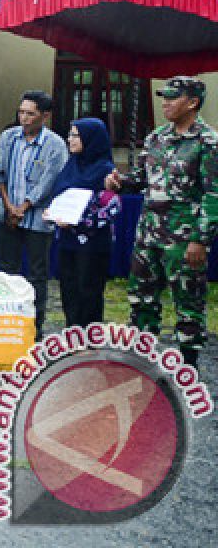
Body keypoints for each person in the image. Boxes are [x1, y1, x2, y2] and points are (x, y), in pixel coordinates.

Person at [107, 76, 217, 368]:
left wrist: (200, 239)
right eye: (164, 97)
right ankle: (143, 363)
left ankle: (187, 368)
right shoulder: (156, 137)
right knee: (142, 299)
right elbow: (142, 179)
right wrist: (120, 182)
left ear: (192, 103)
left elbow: (213, 195)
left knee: (188, 304)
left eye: (172, 97)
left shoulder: (207, 143)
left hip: (183, 238)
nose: (165, 103)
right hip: (149, 234)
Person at [0, 90, 68, 337]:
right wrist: (9, 206)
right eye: (21, 112)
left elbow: (49, 181)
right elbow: (0, 173)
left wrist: (24, 207)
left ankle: (34, 325)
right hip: (7, 213)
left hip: (38, 218)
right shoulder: (8, 137)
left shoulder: (56, 145)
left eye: (30, 114)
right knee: (8, 270)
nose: (24, 118)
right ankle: (6, 320)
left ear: (44, 116)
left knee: (37, 273)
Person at [47, 118, 119, 329]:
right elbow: (61, 194)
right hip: (67, 241)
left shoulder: (106, 169)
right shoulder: (71, 164)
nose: (70, 140)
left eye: (75, 135)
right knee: (69, 290)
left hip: (93, 244)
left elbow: (111, 208)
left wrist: (78, 222)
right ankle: (73, 337)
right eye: (70, 134)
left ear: (91, 139)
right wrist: (52, 213)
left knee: (89, 291)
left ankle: (89, 341)